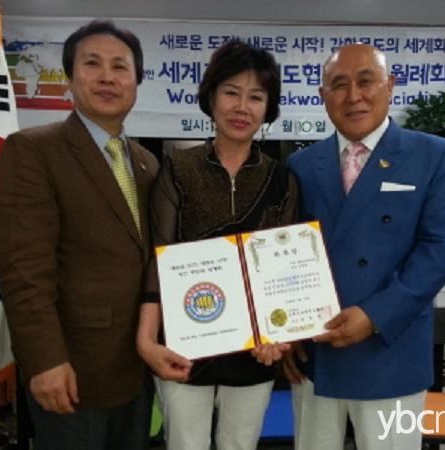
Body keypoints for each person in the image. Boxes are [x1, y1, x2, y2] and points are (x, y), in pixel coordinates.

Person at [284, 43, 445, 449]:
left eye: (366, 81)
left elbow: (443, 246)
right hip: (317, 352)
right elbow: (287, 254)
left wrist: (375, 314)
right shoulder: (302, 164)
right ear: (323, 96)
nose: (354, 96)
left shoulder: (434, 156)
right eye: (339, 85)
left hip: (392, 348)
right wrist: (285, 331)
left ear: (390, 86)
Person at [0, 20, 160, 450]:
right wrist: (45, 361)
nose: (107, 77)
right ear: (70, 77)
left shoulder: (147, 163)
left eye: (120, 67)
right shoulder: (33, 150)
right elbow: (23, 271)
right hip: (70, 372)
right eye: (92, 64)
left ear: (137, 82)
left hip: (138, 369)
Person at [136, 39, 299, 450]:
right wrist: (147, 338)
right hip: (185, 344)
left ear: (268, 108)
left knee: (240, 444)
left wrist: (279, 335)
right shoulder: (178, 169)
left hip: (256, 349)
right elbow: (160, 259)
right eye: (231, 92)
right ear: (211, 98)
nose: (242, 107)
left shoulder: (283, 179)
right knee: (184, 443)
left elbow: (286, 271)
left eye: (256, 97)